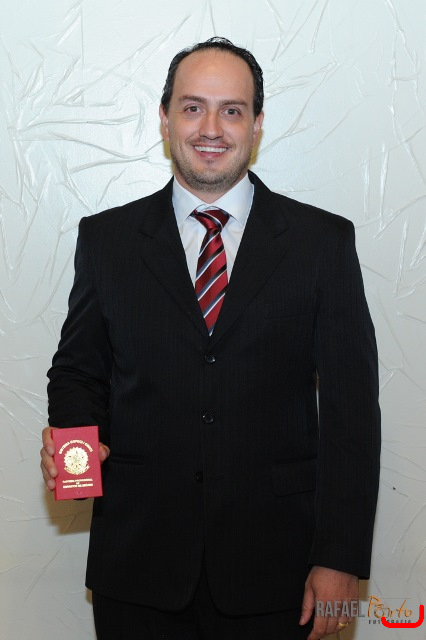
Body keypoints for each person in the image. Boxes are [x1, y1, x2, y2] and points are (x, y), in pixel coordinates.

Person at [40, 37, 381, 640]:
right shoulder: (107, 239)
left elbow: (351, 412)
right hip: (137, 566)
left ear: (257, 124)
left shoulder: (322, 243)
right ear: (165, 118)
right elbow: (79, 372)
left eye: (232, 110)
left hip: (278, 569)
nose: (211, 129)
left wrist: (340, 557)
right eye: (193, 107)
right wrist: (75, 440)